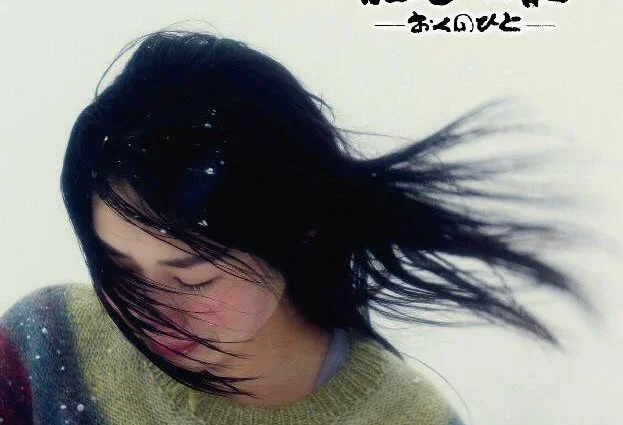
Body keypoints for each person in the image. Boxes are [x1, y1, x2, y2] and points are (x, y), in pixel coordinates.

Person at [0, 27, 600, 425]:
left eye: (194, 275)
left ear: (298, 229)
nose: (151, 310)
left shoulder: (407, 419)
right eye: (119, 269)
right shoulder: (47, 346)